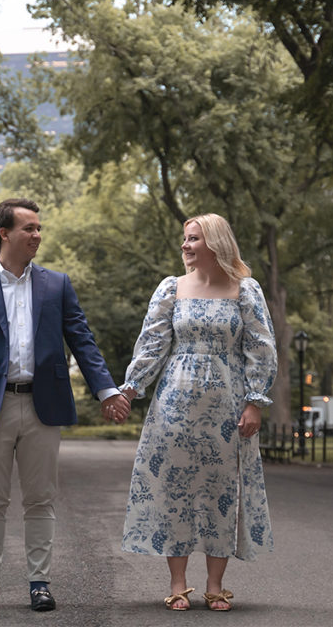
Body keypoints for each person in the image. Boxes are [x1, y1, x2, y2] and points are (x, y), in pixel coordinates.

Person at [0, 198, 130, 613]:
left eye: (39, 228)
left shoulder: (56, 285)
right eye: (29, 228)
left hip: (42, 407)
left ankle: (39, 584)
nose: (37, 235)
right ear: (4, 234)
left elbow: (82, 341)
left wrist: (107, 390)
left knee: (41, 498)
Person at [116, 213, 277, 612]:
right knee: (176, 489)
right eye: (184, 239)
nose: (185, 246)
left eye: (192, 239)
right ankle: (177, 583)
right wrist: (129, 389)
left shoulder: (246, 290)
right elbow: (152, 345)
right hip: (174, 404)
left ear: (215, 243)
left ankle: (216, 585)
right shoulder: (172, 288)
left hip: (227, 405)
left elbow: (261, 347)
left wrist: (255, 401)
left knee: (222, 490)